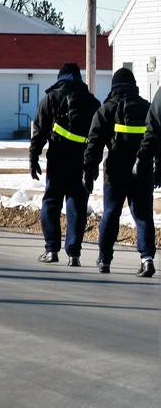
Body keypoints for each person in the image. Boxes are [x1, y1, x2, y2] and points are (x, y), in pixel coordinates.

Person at [84, 68, 154, 277]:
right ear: (134, 86)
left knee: (111, 214)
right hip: (142, 169)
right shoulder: (147, 109)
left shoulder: (106, 109)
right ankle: (147, 259)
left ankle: (105, 259)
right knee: (143, 216)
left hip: (115, 170)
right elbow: (157, 140)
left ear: (113, 87)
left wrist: (89, 170)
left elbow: (94, 143)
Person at [29, 62, 100, 265]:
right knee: (77, 205)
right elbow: (99, 137)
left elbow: (39, 131)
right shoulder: (92, 102)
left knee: (51, 203)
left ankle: (51, 250)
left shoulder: (51, 98)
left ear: (60, 78)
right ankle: (74, 254)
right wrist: (93, 165)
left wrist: (33, 158)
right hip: (83, 162)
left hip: (58, 160)